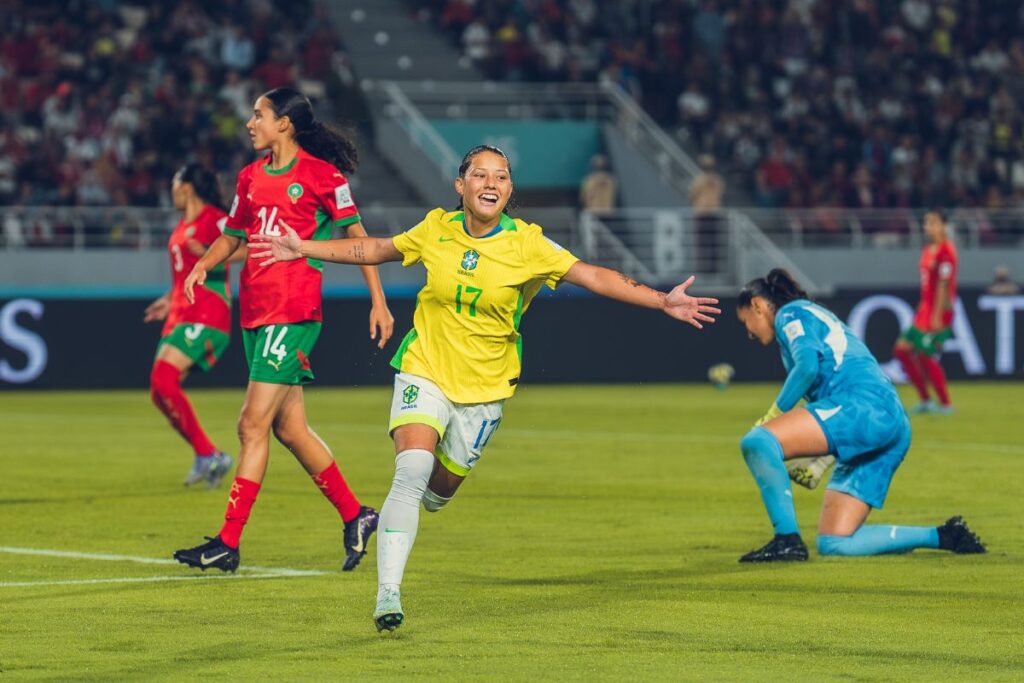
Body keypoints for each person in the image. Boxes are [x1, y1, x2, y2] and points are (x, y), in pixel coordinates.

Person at [248, 144, 722, 632]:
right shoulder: (437, 228)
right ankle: (388, 593)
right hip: (425, 366)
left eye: (501, 176)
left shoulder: (529, 244)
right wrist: (302, 247)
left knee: (435, 494)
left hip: (485, 388)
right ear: (461, 185)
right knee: (410, 468)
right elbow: (377, 248)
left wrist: (662, 299)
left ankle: (410, 514)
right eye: (480, 174)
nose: (491, 183)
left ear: (509, 190)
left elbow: (593, 276)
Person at [173, 88, 394, 574]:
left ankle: (227, 543)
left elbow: (361, 242)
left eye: (259, 114)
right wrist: (201, 267)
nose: (250, 123)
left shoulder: (322, 177)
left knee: (250, 425)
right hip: (254, 312)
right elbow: (233, 237)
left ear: (285, 124)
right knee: (289, 428)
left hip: (291, 313)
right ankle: (357, 515)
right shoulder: (250, 177)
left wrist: (378, 300)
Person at [734, 269, 986, 563]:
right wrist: (823, 458)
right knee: (835, 542)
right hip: (889, 420)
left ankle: (787, 540)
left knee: (758, 442)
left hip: (863, 404)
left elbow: (807, 368)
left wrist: (773, 415)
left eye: (745, 322)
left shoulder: (791, 314)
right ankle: (944, 535)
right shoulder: (808, 317)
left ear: (758, 305)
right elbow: (824, 391)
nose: (748, 333)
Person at [143, 163, 241, 488]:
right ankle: (207, 455)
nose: (170, 190)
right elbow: (184, 274)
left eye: (173, 182)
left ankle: (208, 454)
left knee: (163, 378)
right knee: (159, 391)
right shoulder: (182, 226)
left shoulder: (215, 218)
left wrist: (216, 255)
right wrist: (168, 299)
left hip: (208, 311)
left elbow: (250, 246)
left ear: (186, 186)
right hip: (181, 312)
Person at [892, 210, 958, 414]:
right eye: (926, 223)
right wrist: (922, 307)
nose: (928, 226)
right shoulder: (928, 249)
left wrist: (938, 314)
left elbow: (943, 285)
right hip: (925, 309)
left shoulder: (946, 251)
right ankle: (926, 399)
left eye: (933, 222)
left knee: (925, 355)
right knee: (902, 351)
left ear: (944, 226)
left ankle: (945, 404)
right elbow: (927, 284)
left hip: (937, 311)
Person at [689, 154, 725, 274]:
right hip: (714, 212)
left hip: (702, 213)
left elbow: (692, 195)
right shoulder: (718, 180)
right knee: (713, 243)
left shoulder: (699, 180)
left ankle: (701, 269)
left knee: (701, 244)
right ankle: (712, 269)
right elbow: (721, 193)